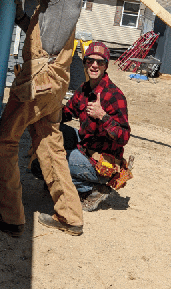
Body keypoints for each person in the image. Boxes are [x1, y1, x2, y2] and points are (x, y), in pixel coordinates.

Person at [0, 0, 84, 236]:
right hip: (54, 84)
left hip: (39, 81)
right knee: (50, 146)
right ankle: (71, 217)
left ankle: (13, 217)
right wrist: (19, 18)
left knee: (5, 141)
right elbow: (48, 35)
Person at [60, 41, 131, 212]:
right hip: (85, 147)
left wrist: (102, 116)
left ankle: (93, 189)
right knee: (52, 133)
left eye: (99, 62)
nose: (94, 65)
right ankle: (72, 183)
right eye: (90, 61)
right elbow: (67, 113)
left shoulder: (114, 95)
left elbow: (124, 137)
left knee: (49, 161)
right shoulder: (83, 89)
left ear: (106, 65)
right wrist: (45, 107)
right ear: (84, 63)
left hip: (102, 162)